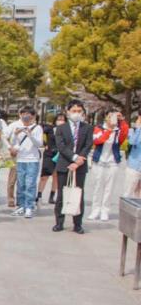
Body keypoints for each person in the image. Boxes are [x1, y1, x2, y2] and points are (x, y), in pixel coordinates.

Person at [53, 99, 94, 234]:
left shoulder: (87, 128)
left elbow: (88, 145)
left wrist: (78, 161)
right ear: (68, 112)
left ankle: (77, 224)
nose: (76, 113)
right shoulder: (61, 128)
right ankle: (59, 222)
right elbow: (61, 146)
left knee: (78, 193)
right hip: (64, 164)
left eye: (79, 111)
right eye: (74, 111)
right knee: (62, 194)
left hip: (80, 166)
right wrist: (74, 158)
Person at [89, 110, 129, 221]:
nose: (112, 119)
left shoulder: (118, 130)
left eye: (114, 116)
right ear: (106, 117)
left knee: (109, 188)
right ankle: (95, 210)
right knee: (98, 187)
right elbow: (98, 141)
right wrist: (109, 131)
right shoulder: (99, 128)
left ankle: (105, 210)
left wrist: (122, 120)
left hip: (112, 162)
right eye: (110, 116)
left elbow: (124, 135)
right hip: (99, 161)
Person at [8, 105, 44, 219]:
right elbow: (14, 143)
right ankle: (20, 206)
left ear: (33, 116)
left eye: (28, 115)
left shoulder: (37, 128)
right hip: (20, 159)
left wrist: (30, 134)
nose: (26, 117)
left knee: (30, 184)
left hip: (32, 160)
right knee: (21, 184)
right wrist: (15, 134)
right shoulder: (18, 127)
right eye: (23, 115)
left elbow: (39, 144)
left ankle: (29, 207)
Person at [38, 113, 64, 205]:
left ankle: (52, 196)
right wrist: (45, 144)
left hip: (60, 154)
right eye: (59, 119)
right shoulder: (49, 128)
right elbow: (40, 134)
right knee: (44, 176)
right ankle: (39, 195)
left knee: (56, 176)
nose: (60, 121)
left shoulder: (66, 130)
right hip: (49, 154)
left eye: (62, 119)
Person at [125, 113, 141, 198]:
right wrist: (138, 128)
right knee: (129, 193)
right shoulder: (134, 130)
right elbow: (132, 142)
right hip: (134, 166)